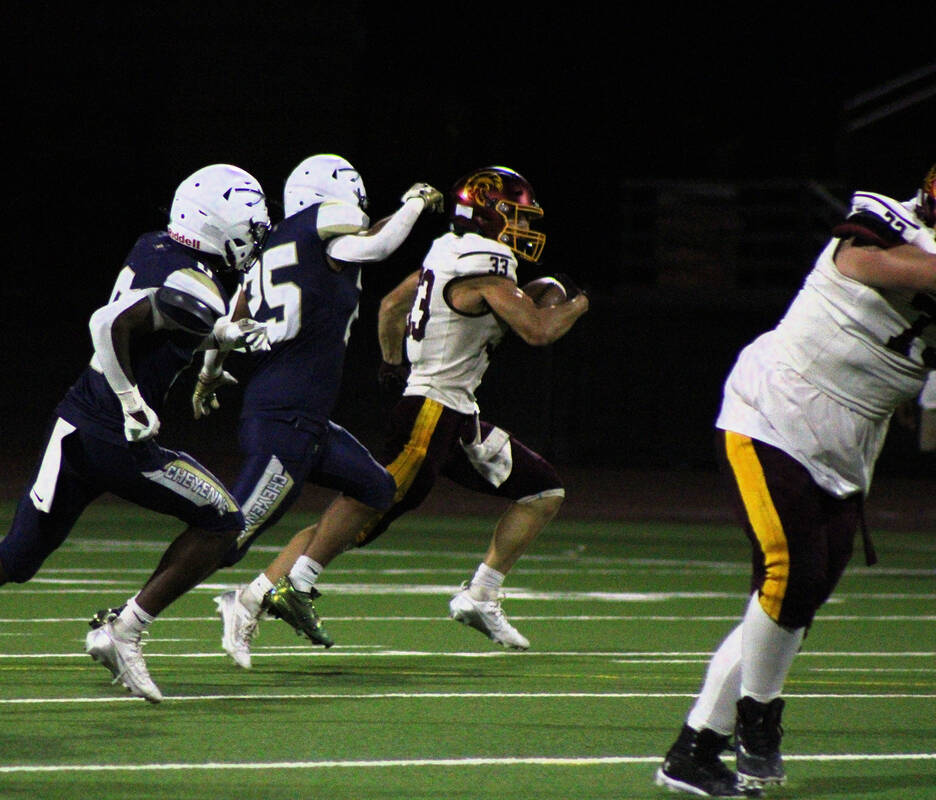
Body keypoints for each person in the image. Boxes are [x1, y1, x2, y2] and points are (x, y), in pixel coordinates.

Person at [0, 163, 273, 718]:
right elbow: (108, 324)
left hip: (75, 422)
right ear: (218, 222)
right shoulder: (190, 277)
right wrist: (132, 402)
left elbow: (164, 319)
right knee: (224, 520)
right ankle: (124, 631)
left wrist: (216, 345)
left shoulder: (156, 247)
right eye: (249, 225)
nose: (254, 238)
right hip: (118, 439)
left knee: (16, 555)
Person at [218, 165, 589, 661]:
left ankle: (480, 594)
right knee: (360, 515)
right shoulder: (484, 264)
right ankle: (254, 596)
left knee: (542, 490)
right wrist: (578, 301)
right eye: (515, 215)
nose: (522, 227)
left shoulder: (447, 252)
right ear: (488, 214)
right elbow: (539, 331)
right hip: (432, 413)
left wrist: (393, 364)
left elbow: (392, 305)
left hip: (454, 414)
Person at [91, 154, 445, 669]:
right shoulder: (324, 235)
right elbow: (381, 244)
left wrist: (210, 373)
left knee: (376, 488)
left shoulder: (283, 249)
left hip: (304, 419)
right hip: (285, 421)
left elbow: (234, 312)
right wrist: (415, 202)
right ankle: (123, 622)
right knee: (225, 538)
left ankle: (262, 593)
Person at [653, 164, 936, 797]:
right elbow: (873, 265)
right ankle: (760, 719)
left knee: (788, 604)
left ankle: (693, 752)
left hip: (851, 440)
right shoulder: (887, 220)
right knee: (790, 573)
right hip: (777, 408)